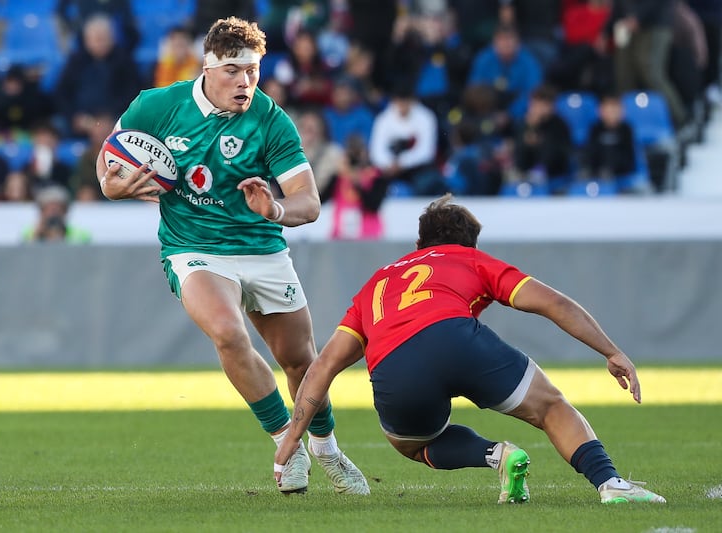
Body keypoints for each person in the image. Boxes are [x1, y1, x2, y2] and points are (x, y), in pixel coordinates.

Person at [95, 16, 369, 496]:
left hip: (261, 247)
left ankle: (325, 446)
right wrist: (110, 185)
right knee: (226, 332)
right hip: (193, 247)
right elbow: (108, 161)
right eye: (233, 71)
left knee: (300, 361)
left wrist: (276, 207)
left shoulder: (269, 119)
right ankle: (287, 440)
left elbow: (309, 201)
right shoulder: (157, 105)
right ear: (207, 67)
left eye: (253, 71)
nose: (244, 82)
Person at [275, 194, 667, 505]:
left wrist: (294, 436)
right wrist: (611, 351)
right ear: (471, 244)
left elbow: (324, 365)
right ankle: (611, 483)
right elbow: (555, 304)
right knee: (551, 407)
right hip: (458, 341)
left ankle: (496, 455)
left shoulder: (376, 283)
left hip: (395, 366)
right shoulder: (472, 259)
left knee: (411, 443)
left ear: (418, 244)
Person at [22, 184, 91, 243]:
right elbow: (23, 254)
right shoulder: (29, 234)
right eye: (49, 209)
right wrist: (37, 235)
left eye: (57, 209)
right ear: (42, 212)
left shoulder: (79, 235)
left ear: (65, 211)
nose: (53, 214)